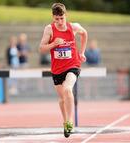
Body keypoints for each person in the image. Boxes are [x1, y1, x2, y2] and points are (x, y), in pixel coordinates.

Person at [39, 3, 87, 138]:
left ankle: (70, 121)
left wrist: (82, 52)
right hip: (57, 69)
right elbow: (41, 48)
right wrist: (54, 43)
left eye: (62, 18)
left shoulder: (74, 27)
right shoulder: (49, 29)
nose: (60, 22)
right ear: (53, 18)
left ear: (66, 16)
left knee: (67, 89)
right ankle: (66, 121)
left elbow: (85, 34)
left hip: (73, 65)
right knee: (62, 99)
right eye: (56, 19)